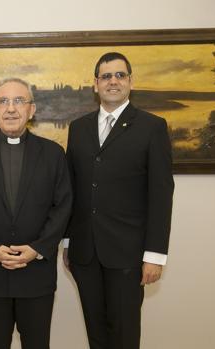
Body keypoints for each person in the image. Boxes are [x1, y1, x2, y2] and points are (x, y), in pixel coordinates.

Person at [63, 52, 174, 349]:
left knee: (124, 335)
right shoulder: (78, 129)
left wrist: (155, 255)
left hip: (129, 255)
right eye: (106, 76)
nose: (113, 81)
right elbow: (70, 189)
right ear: (95, 84)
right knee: (96, 333)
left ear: (130, 82)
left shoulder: (152, 127)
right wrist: (67, 241)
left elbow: (161, 194)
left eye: (120, 75)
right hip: (85, 253)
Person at [0, 77, 72, 349]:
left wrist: (38, 247)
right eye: (4, 101)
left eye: (19, 101)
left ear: (32, 110)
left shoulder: (53, 154)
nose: (11, 109)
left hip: (37, 275)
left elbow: (63, 206)